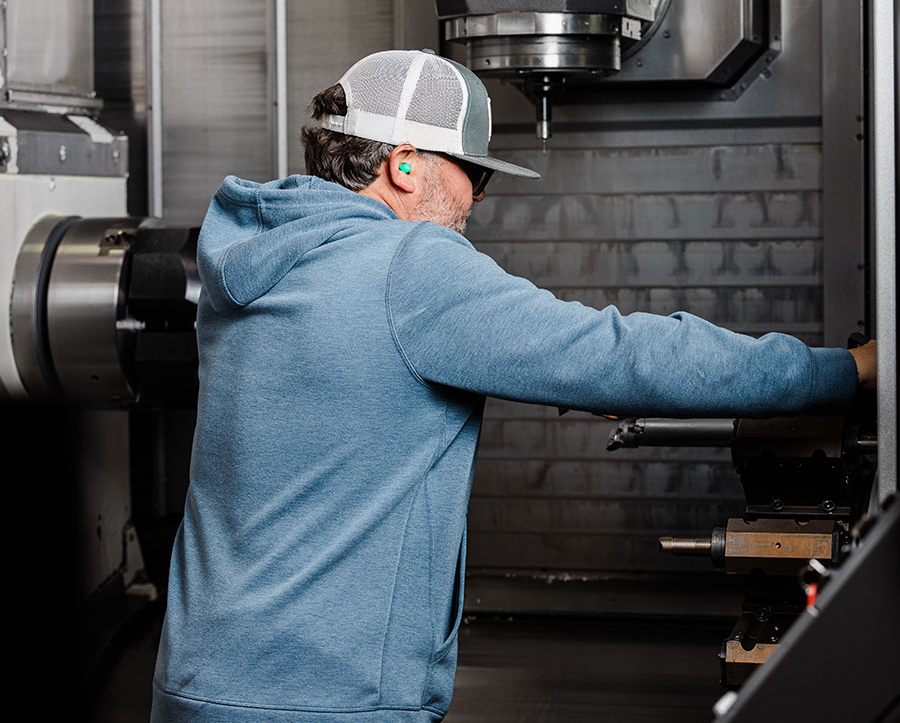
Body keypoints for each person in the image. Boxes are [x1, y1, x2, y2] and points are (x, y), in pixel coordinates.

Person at [151, 49, 876, 723]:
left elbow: (351, 385)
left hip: (199, 678)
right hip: (326, 695)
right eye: (475, 172)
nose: (478, 198)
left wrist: (560, 376)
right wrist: (849, 370)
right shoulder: (410, 262)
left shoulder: (254, 260)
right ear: (406, 165)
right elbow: (624, 354)